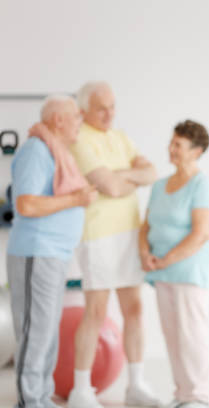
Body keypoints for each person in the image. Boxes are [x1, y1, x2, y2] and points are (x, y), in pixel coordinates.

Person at [67, 81, 159, 408]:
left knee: (134, 309)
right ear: (83, 110)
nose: (109, 113)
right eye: (101, 108)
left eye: (112, 106)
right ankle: (81, 391)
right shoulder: (79, 140)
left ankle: (135, 385)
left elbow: (151, 173)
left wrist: (124, 177)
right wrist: (128, 176)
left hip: (130, 234)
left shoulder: (120, 138)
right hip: (99, 236)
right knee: (96, 311)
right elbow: (110, 186)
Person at [7, 95, 97, 408]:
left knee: (46, 333)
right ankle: (31, 401)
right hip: (36, 252)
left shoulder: (54, 152)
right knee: (36, 333)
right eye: (76, 116)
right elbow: (26, 204)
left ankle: (40, 398)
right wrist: (76, 200)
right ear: (58, 119)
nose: (80, 123)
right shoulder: (35, 150)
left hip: (52, 254)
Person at [139, 120, 209, 408]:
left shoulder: (202, 185)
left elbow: (202, 233)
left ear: (196, 151)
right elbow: (145, 226)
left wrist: (166, 259)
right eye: (171, 142)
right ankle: (183, 394)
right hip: (162, 272)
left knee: (192, 336)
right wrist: (145, 253)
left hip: (188, 272)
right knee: (173, 336)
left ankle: (199, 396)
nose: (171, 149)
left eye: (179, 145)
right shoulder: (160, 185)